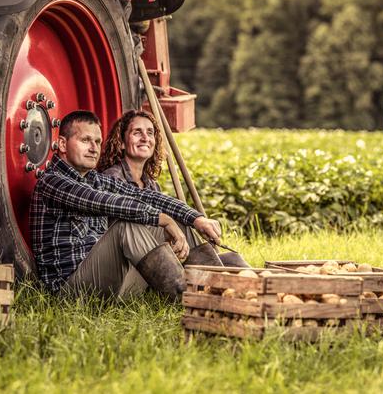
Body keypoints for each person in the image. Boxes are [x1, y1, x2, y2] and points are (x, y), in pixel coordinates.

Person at [29, 110, 222, 300]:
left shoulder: (95, 179)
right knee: (126, 226)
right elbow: (103, 202)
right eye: (85, 140)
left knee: (182, 223)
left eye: (97, 142)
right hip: (70, 289)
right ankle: (186, 297)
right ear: (63, 144)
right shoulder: (52, 182)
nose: (94, 148)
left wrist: (195, 217)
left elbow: (145, 196)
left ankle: (223, 287)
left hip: (110, 282)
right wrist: (162, 219)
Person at [97, 109, 250, 268]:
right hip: (123, 262)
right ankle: (213, 276)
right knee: (179, 222)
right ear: (121, 142)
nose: (145, 138)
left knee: (230, 259)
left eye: (150, 133)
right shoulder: (112, 177)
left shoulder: (151, 184)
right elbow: (136, 219)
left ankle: (221, 272)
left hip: (151, 257)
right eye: (137, 132)